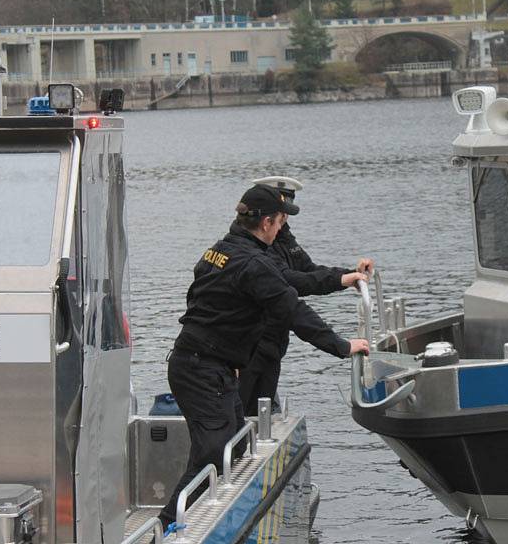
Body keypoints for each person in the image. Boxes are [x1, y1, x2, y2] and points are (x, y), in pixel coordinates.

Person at [157, 183, 369, 531]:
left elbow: (205, 300)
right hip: (202, 369)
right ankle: (165, 529)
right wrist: (343, 346)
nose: (283, 228)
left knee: (233, 448)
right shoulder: (254, 264)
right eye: (281, 221)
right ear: (268, 223)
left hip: (205, 365)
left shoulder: (219, 250)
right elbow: (293, 311)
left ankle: (204, 523)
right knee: (215, 453)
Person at [239, 176, 374, 416]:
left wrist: (349, 275)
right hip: (251, 345)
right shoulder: (254, 249)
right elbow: (289, 283)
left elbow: (307, 269)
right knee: (242, 412)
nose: (285, 220)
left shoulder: (283, 236)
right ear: (267, 216)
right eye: (282, 213)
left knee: (261, 411)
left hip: (272, 344)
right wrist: (340, 345)